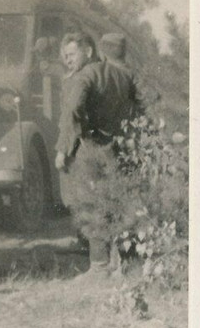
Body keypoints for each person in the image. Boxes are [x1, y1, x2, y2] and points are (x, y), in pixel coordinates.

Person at [54, 31, 139, 275]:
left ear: (90, 51)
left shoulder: (86, 75)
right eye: (65, 56)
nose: (68, 60)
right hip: (118, 145)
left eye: (72, 54)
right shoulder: (123, 74)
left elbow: (71, 113)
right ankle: (119, 260)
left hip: (88, 146)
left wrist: (67, 146)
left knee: (91, 204)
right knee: (114, 201)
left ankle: (99, 264)